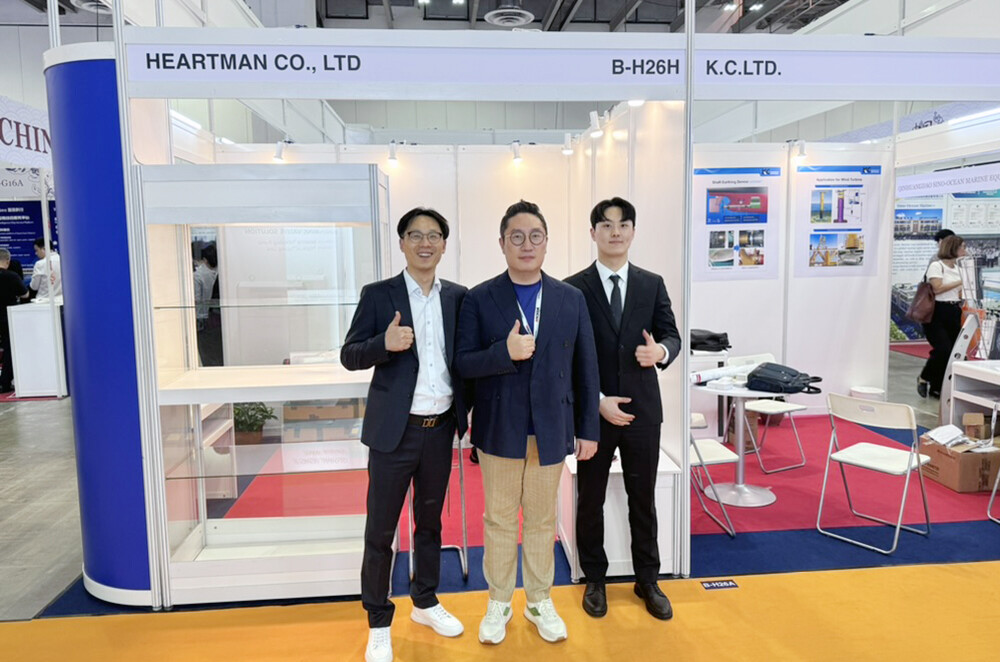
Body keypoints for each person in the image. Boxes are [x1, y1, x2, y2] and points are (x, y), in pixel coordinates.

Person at [456, 200, 600, 646]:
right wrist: (504, 353)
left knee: (541, 520)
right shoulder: (479, 298)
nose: (526, 245)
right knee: (499, 519)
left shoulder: (570, 298)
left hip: (551, 427)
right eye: (516, 236)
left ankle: (539, 600)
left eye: (535, 236)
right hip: (500, 427)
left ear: (546, 242)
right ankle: (498, 602)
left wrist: (588, 428)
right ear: (501, 243)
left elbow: (586, 367)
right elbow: (463, 363)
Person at [341, 208, 469, 662]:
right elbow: (349, 355)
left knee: (430, 524)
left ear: (444, 244)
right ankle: (378, 621)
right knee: (380, 531)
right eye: (415, 235)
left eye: (433, 236)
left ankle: (425, 601)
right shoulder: (379, 295)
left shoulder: (459, 298)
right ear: (402, 243)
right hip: (393, 434)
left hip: (440, 429)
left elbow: (465, 362)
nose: (425, 243)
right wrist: (383, 345)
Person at [565, 197, 681, 621]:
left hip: (642, 411)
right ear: (592, 232)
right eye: (606, 225)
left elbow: (672, 335)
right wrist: (596, 401)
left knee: (643, 498)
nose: (615, 232)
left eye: (623, 224)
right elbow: (567, 353)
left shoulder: (652, 284)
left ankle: (647, 579)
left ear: (633, 231)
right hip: (593, 414)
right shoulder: (573, 288)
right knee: (590, 499)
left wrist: (660, 353)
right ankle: (594, 578)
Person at [918, 234, 966, 399]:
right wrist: (960, 282)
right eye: (962, 247)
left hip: (953, 310)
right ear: (953, 248)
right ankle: (924, 377)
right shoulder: (936, 266)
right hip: (937, 311)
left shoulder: (958, 269)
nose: (965, 250)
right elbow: (937, 288)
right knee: (943, 349)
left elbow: (958, 293)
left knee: (952, 351)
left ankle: (937, 387)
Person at [0, 248, 29, 393]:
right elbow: (25, 294)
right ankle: (4, 383)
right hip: (7, 317)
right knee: (9, 349)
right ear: (8, 261)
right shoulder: (12, 276)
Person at [194, 243, 223, 366]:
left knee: (206, 351)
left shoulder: (198, 275)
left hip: (203, 318)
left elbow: (197, 299)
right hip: (219, 317)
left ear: (205, 259)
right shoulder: (221, 272)